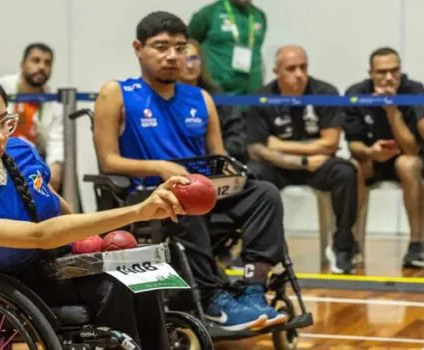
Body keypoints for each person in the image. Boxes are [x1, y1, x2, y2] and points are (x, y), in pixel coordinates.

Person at [0, 69, 190, 349]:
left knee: (140, 273)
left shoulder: (21, 151)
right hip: (21, 289)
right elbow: (40, 235)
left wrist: (94, 241)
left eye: (4, 121)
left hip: (61, 266)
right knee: (114, 288)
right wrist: (139, 210)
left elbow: (56, 205)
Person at [93, 11, 287, 331]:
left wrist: (232, 177)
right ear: (138, 48)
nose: (172, 56)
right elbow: (109, 161)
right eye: (161, 47)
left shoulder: (201, 98)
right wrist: (159, 167)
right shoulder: (116, 93)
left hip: (202, 190)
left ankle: (253, 289)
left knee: (264, 194)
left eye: (180, 48)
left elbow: (219, 158)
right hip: (150, 197)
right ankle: (211, 300)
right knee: (187, 196)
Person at [243, 45, 358, 274]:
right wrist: (303, 160)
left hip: (320, 165)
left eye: (303, 67)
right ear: (277, 71)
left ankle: (343, 247)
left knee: (346, 172)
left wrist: (280, 145)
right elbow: (257, 149)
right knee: (252, 173)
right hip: (281, 166)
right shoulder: (261, 98)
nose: (299, 74)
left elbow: (330, 143)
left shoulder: (325, 93)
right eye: (291, 69)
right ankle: (255, 249)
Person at [343, 47, 424, 268]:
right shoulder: (356, 93)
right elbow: (353, 145)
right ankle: (351, 244)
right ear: (370, 73)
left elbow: (412, 149)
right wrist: (372, 152)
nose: (389, 77)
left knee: (408, 164)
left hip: (404, 160)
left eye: (394, 70)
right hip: (372, 160)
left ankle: (417, 245)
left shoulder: (414, 91)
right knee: (353, 166)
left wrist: (391, 110)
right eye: (381, 72)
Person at [0, 43, 64, 192]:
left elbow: (56, 142)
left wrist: (55, 169)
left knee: (63, 171)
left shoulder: (54, 101)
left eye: (47, 63)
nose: (41, 67)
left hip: (32, 160)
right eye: (36, 60)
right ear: (22, 64)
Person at [179, 39, 248, 163]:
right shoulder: (167, 98)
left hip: (219, 160)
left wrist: (221, 153)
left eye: (194, 58)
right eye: (184, 60)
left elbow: (236, 134)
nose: (190, 65)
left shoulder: (218, 96)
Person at [188, 0, 267, 95]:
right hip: (219, 92)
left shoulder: (259, 15)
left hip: (252, 92)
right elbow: (191, 45)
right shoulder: (208, 14)